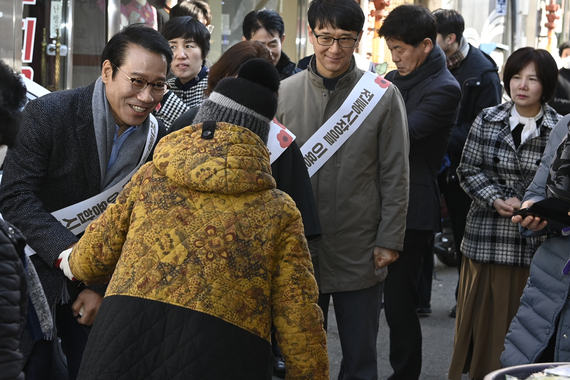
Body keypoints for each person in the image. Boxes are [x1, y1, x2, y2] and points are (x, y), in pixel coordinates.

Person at [57, 58, 329, 380]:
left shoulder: (151, 177)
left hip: (121, 347)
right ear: (260, 137)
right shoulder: (278, 210)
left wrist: (68, 262)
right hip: (225, 355)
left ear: (202, 120)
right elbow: (298, 314)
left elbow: (92, 256)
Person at [0, 24, 171, 380]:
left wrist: (98, 284)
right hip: (36, 276)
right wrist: (73, 257)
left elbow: (150, 229)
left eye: (158, 85)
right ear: (107, 71)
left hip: (106, 292)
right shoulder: (50, 114)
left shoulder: (163, 142)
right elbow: (15, 197)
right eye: (136, 81)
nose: (146, 96)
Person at [275, 0, 410, 378]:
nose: (334, 49)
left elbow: (395, 173)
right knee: (298, 357)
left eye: (345, 39)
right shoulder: (283, 93)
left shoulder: (382, 96)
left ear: (358, 39)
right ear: (311, 32)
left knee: (360, 356)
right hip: (297, 248)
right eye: (326, 37)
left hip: (360, 247)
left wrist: (390, 238)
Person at [448, 47, 561, 380]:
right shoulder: (488, 117)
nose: (521, 86)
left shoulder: (559, 127)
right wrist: (495, 199)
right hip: (485, 238)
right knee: (478, 325)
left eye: (532, 79)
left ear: (547, 85)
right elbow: (467, 169)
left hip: (534, 245)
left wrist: (537, 209)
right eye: (515, 76)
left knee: (522, 329)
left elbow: (559, 184)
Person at [377, 5, 461, 379]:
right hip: (373, 199)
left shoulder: (445, 88)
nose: (395, 57)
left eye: (400, 49)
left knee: (399, 304)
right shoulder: (391, 78)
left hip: (413, 205)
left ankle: (404, 374)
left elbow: (400, 135)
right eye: (391, 49)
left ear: (426, 45)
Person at [432, 8, 503, 318]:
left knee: (463, 235)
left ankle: (466, 300)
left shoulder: (482, 72)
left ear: (451, 38)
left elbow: (484, 125)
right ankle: (419, 299)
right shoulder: (433, 63)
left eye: (431, 37)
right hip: (433, 163)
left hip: (464, 168)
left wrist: (441, 135)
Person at [501, 113, 570, 366]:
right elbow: (538, 188)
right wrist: (532, 207)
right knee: (530, 364)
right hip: (550, 281)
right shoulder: (566, 125)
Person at [154, 16, 210, 130]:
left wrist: (166, 97)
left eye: (188, 46)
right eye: (173, 47)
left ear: (204, 53)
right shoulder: (166, 85)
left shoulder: (215, 87)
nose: (180, 55)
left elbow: (200, 128)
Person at [242, 8, 300, 80]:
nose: (268, 52)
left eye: (272, 45)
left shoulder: (298, 80)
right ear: (245, 43)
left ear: (282, 40)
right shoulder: (232, 78)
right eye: (260, 45)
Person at [549, 41, 570, 115]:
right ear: (561, 56)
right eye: (566, 55)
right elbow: (553, 102)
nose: (569, 57)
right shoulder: (556, 75)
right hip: (563, 121)